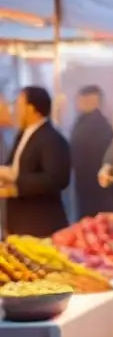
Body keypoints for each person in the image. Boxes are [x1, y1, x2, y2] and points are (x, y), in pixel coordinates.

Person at [0, 86, 71, 237]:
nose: (15, 110)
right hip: (17, 220)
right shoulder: (22, 134)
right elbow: (16, 168)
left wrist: (16, 186)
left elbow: (56, 179)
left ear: (31, 109)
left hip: (40, 223)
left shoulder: (52, 139)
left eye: (18, 105)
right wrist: (5, 174)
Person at [70, 85, 113, 218]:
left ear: (93, 100)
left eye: (81, 99)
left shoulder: (97, 125)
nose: (77, 103)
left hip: (93, 186)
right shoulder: (85, 121)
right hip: (86, 183)